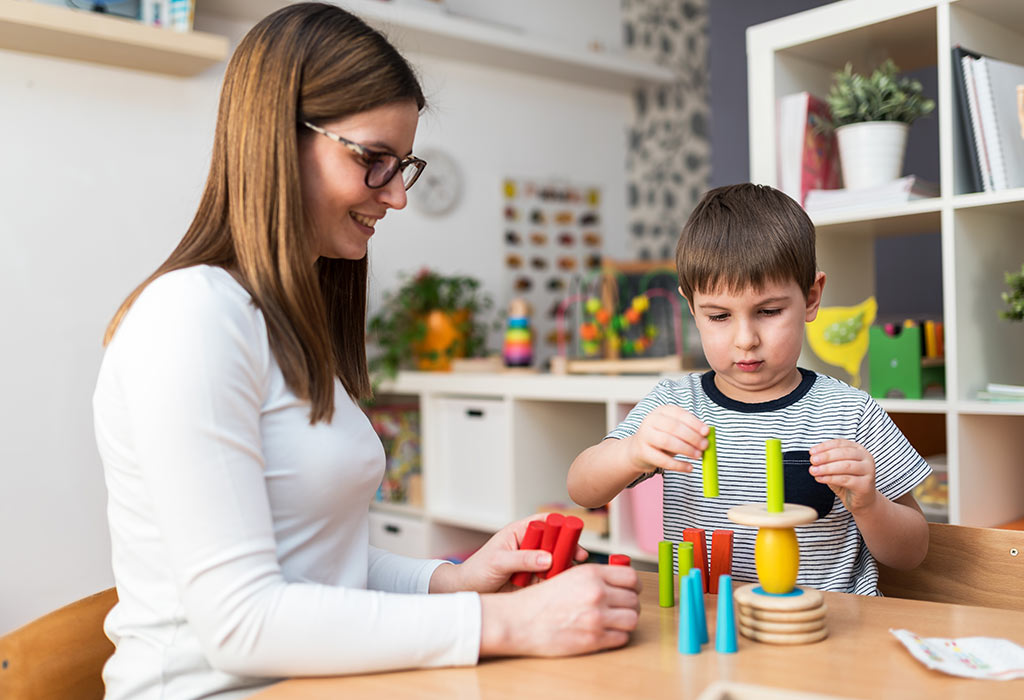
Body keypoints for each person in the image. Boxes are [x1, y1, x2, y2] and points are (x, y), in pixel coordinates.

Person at [92, 4, 639, 698]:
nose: (397, 197)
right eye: (373, 160)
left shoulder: (283, 320)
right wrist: (505, 622)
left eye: (401, 164)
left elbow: (319, 565)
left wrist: (455, 579)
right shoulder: (190, 317)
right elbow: (242, 622)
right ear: (277, 138)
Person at [567, 183, 930, 595]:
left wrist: (869, 505)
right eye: (719, 316)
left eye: (769, 311)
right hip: (708, 629)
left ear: (811, 298)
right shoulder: (674, 404)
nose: (745, 339)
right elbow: (581, 488)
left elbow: (912, 551)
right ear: (692, 308)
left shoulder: (850, 412)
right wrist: (632, 452)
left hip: (824, 632)